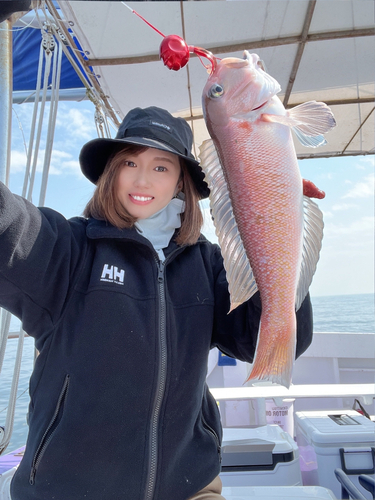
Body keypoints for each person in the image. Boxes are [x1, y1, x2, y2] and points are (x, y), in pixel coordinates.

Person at [0, 106, 313, 500]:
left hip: (191, 487)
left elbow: (261, 338)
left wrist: (282, 224)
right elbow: (11, 229)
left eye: (162, 166)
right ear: (112, 170)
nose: (143, 178)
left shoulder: (209, 262)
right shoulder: (69, 250)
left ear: (182, 182)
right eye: (130, 161)